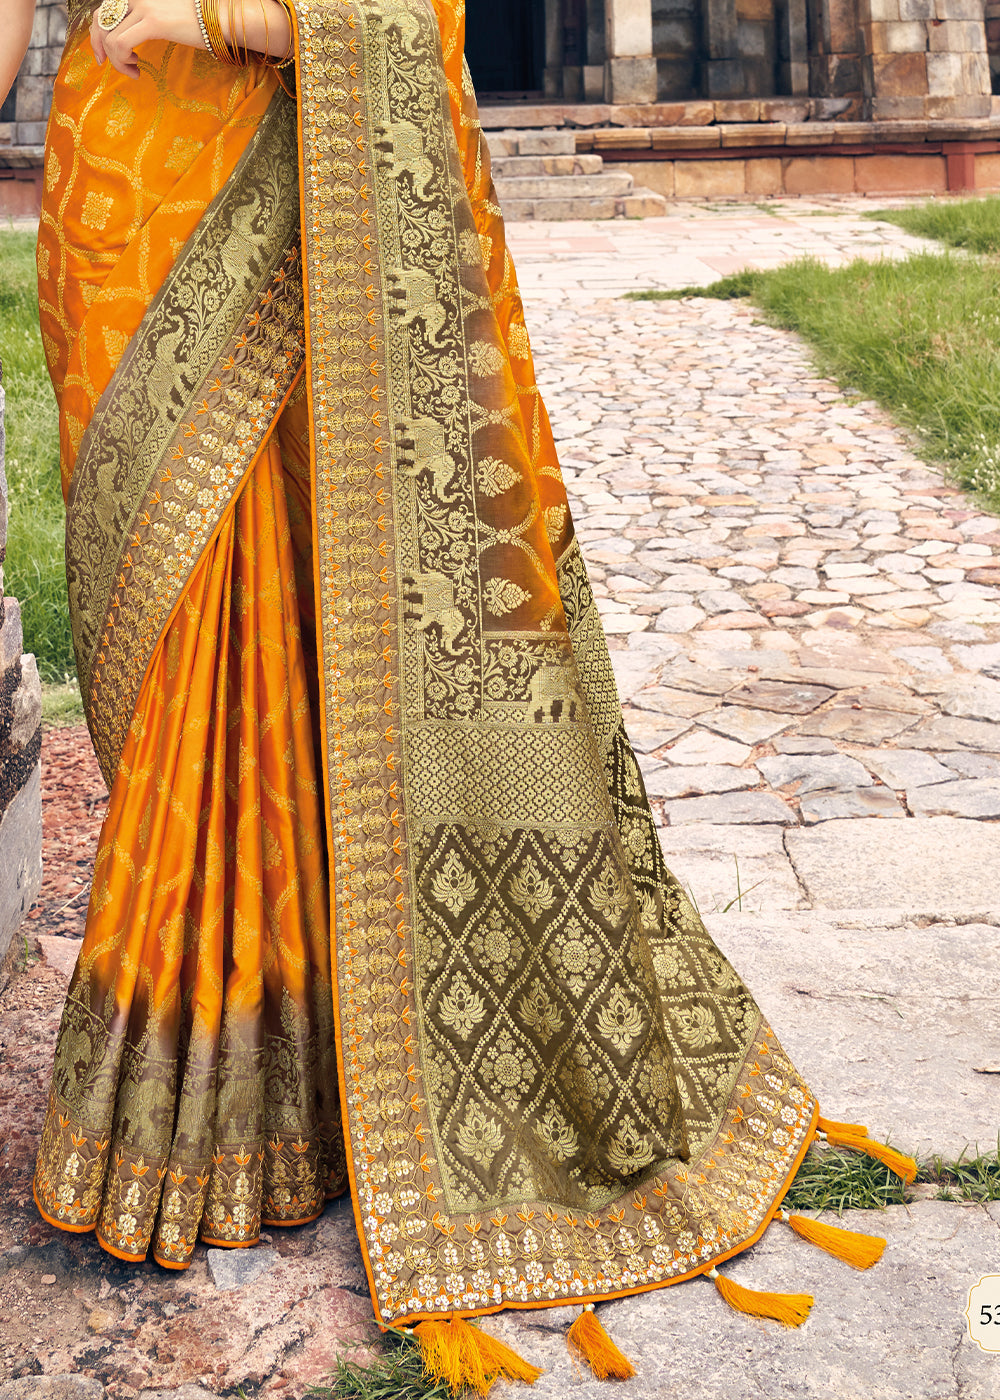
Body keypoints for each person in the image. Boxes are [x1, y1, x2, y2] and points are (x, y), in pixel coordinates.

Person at [8, 0, 913, 1390]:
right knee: (193, 646)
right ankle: (247, 1065)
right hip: (125, 206)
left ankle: (247, 1088)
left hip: (288, 181)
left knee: (314, 621)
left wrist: (209, 14)